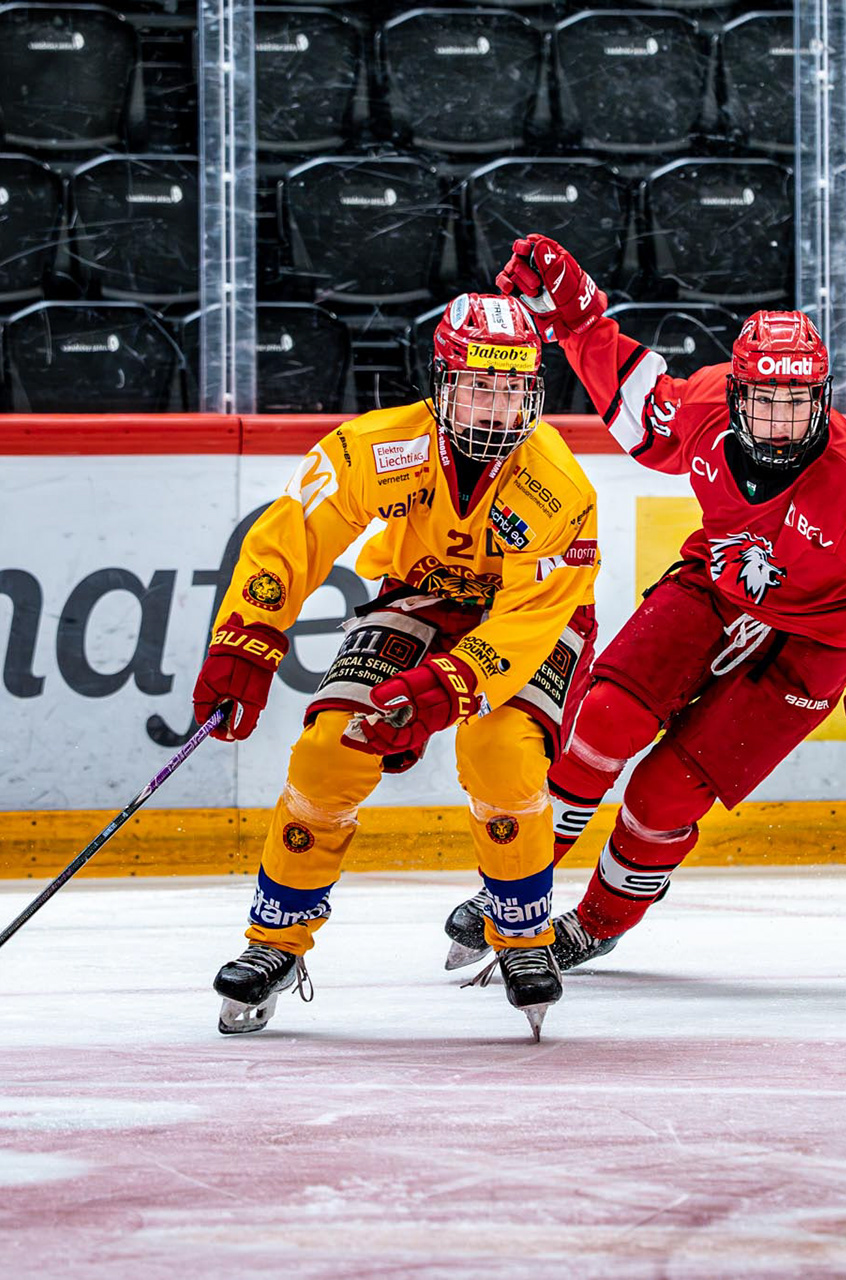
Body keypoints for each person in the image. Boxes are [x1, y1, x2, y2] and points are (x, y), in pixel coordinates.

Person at [443, 235, 846, 971]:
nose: (781, 425)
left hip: (817, 643)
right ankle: (519, 881)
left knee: (664, 795)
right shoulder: (704, 407)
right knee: (603, 720)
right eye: (765, 403)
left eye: (798, 405)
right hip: (718, 583)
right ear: (736, 394)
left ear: (822, 399)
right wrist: (579, 320)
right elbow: (639, 408)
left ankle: (599, 921)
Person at [192, 292, 600, 1039]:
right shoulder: (377, 448)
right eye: (478, 387)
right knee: (327, 751)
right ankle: (276, 939)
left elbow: (531, 617)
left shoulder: (560, 487)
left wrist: (449, 687)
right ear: (442, 384)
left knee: (502, 753)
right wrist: (246, 634)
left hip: (533, 621)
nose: (495, 408)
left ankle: (523, 935)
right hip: (420, 598)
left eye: (512, 390)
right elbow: (293, 533)